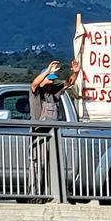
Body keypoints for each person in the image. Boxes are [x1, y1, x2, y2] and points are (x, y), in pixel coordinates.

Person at [27, 59, 79, 199]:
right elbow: (34, 84)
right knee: (39, 166)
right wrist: (48, 71)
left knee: (53, 165)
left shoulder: (54, 94)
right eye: (49, 80)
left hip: (54, 135)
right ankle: (35, 195)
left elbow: (69, 82)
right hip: (39, 136)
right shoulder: (36, 93)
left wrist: (75, 72)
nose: (51, 84)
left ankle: (51, 195)